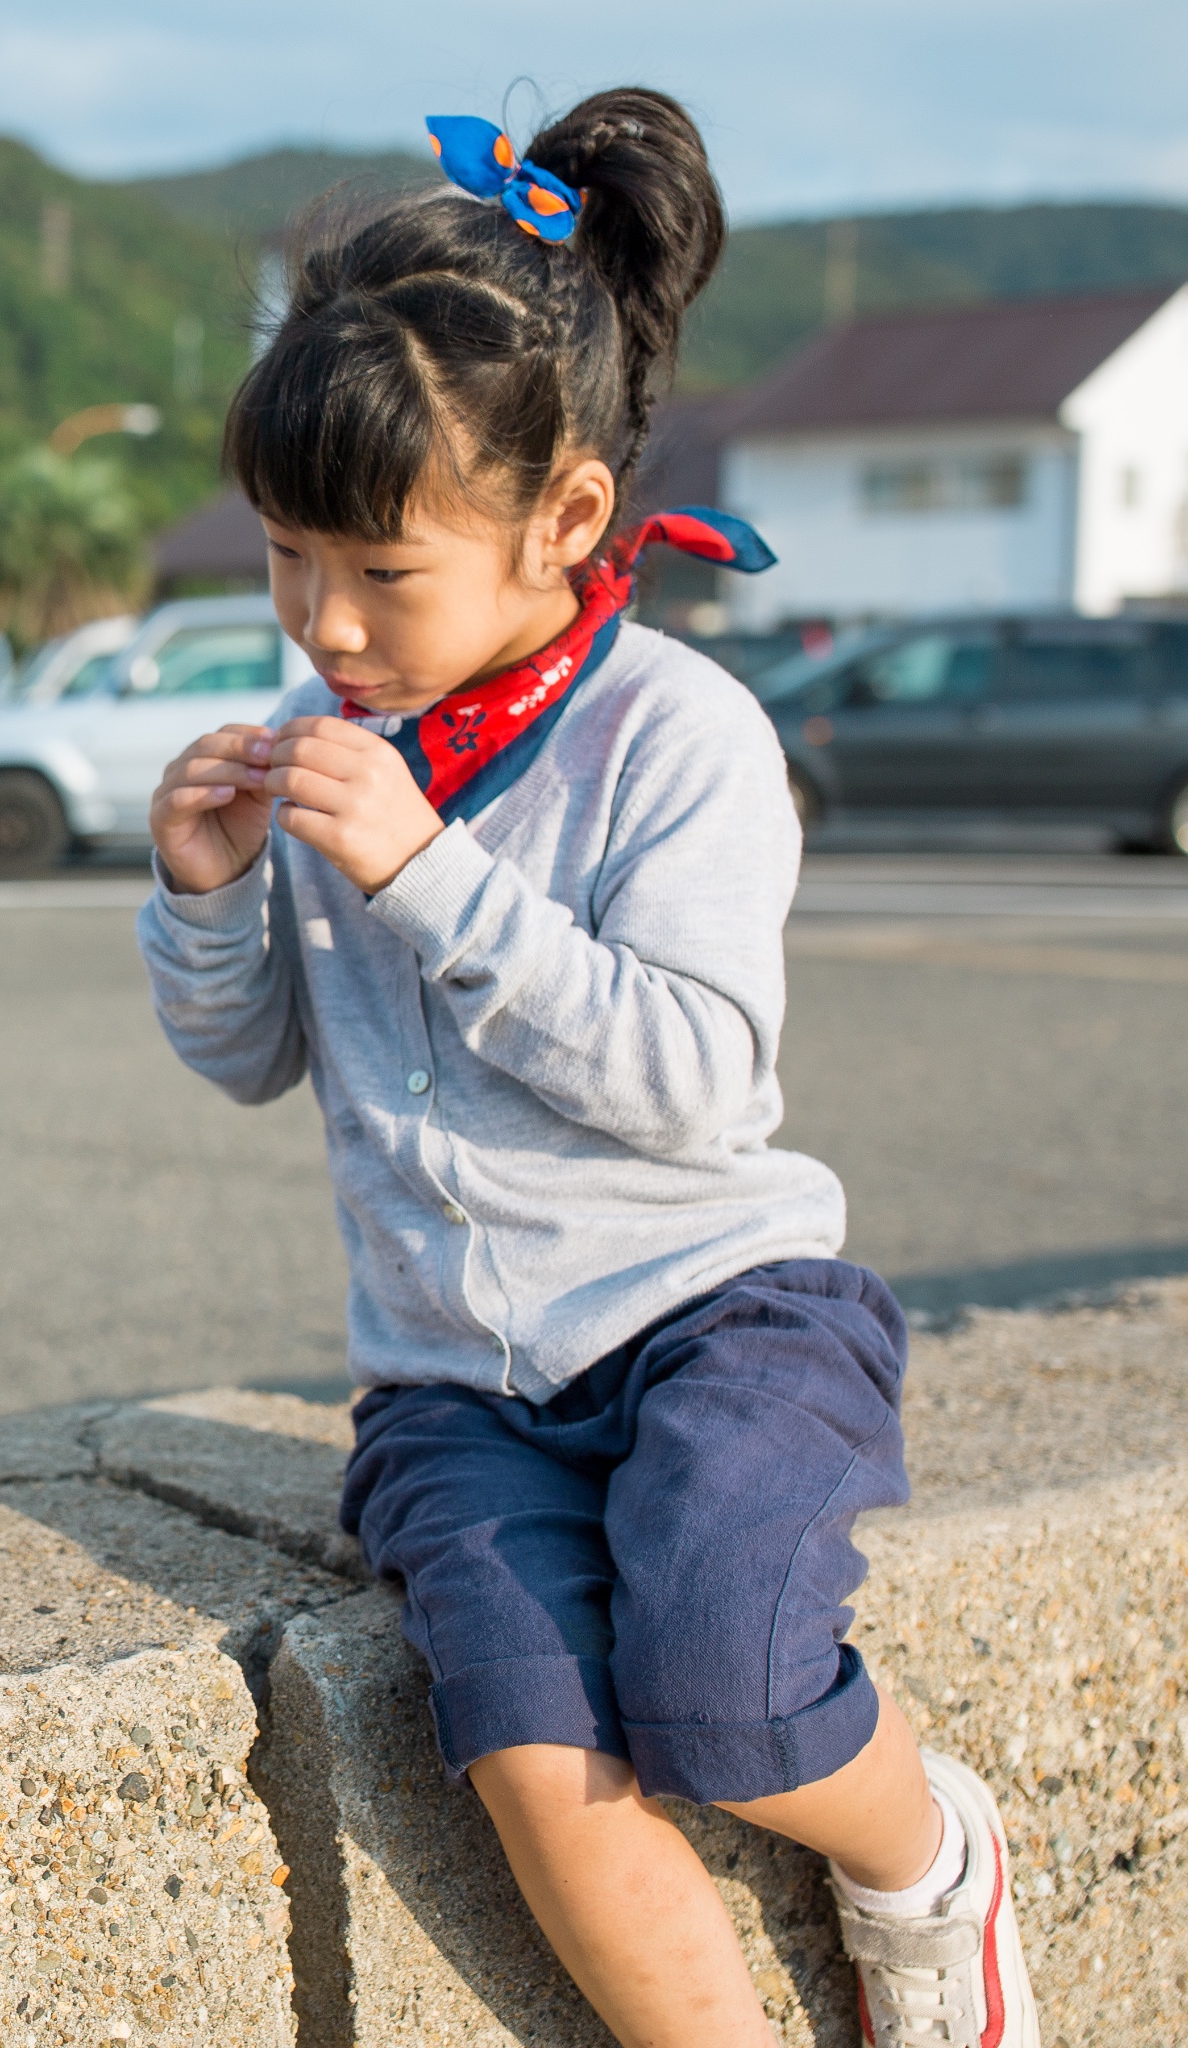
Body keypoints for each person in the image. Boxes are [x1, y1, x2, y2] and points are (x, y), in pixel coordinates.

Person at [135, 86, 1037, 2048]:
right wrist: (205, 898)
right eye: (290, 564)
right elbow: (251, 1057)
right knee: (537, 1758)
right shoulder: (338, 729)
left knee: (721, 1688)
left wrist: (433, 873)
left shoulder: (674, 735)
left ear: (561, 521)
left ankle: (929, 1868)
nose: (322, 628)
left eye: (379, 572)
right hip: (459, 1380)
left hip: (724, 1315)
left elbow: (697, 1077)